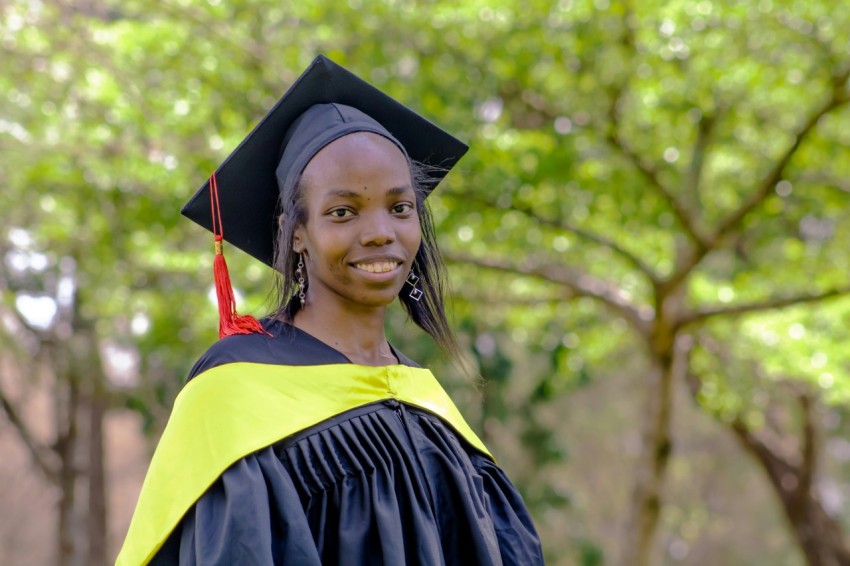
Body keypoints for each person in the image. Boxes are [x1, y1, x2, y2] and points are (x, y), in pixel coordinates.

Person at [118, 55, 543, 566]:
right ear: (295, 231)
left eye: (400, 207)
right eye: (342, 211)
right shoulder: (236, 394)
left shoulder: (432, 408)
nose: (380, 231)